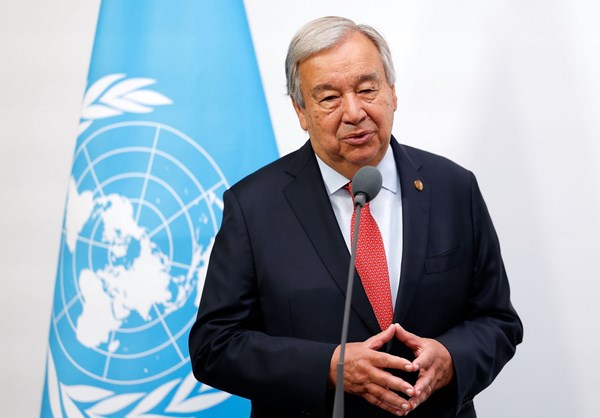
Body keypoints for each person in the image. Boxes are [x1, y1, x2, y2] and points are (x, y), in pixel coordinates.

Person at [188, 16, 523, 418]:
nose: (354, 111)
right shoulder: (254, 206)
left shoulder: (453, 188)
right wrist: (328, 368)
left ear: (392, 93)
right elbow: (214, 345)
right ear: (300, 111)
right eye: (329, 97)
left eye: (367, 89)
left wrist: (452, 358)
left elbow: (497, 320)